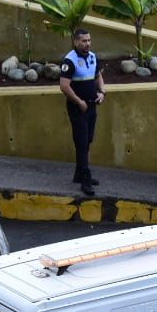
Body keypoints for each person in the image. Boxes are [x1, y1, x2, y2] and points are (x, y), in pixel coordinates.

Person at [58, 28, 106, 197]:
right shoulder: (69, 60)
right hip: (78, 107)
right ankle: (85, 178)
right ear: (76, 42)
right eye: (84, 41)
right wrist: (79, 102)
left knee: (88, 139)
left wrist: (102, 92)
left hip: (92, 105)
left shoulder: (92, 57)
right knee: (82, 141)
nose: (87, 44)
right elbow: (64, 86)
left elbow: (98, 76)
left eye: (89, 40)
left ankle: (79, 173)